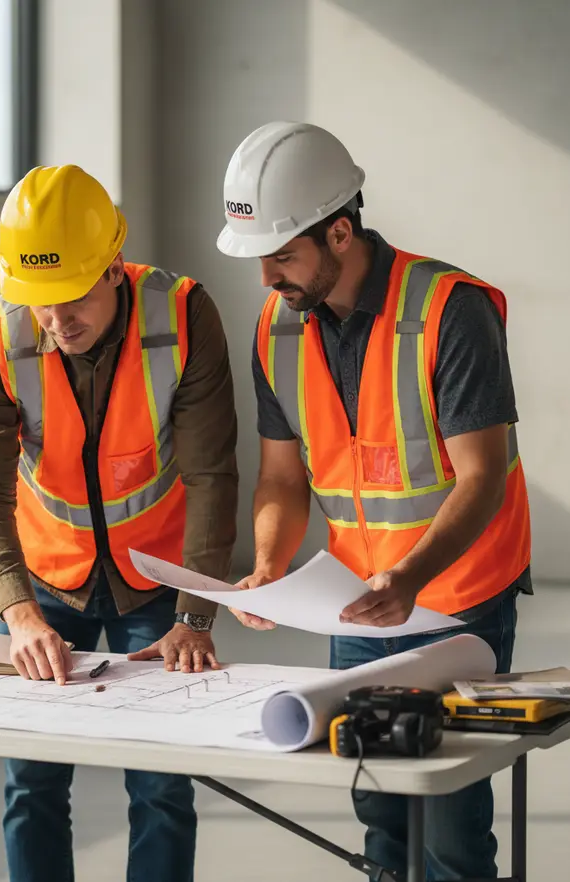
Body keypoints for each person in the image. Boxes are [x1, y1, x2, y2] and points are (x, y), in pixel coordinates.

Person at [216, 121, 531, 880]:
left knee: (451, 828)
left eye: (283, 257)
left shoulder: (451, 311)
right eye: (260, 260)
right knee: (380, 814)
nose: (268, 280)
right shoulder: (276, 330)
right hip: (357, 602)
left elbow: (481, 473)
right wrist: (268, 563)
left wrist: (412, 578)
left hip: (458, 601)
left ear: (341, 233)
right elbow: (284, 479)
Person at [0, 163, 238, 882]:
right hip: (45, 582)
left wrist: (196, 615)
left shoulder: (184, 315)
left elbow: (211, 474)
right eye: (38, 302)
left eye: (71, 297)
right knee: (32, 784)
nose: (55, 320)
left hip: (160, 583)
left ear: (114, 267)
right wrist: (17, 614)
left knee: (162, 786)